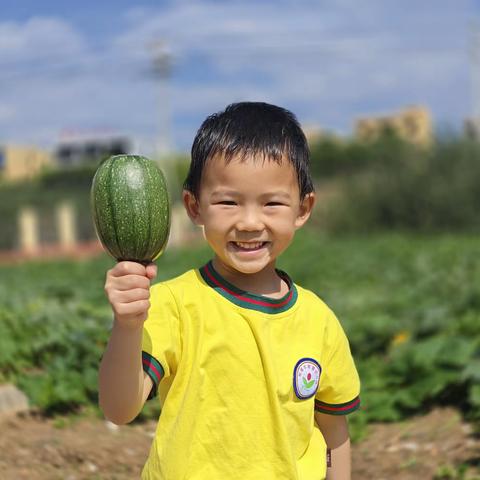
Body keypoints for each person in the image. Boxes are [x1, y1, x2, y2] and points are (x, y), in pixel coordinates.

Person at [99, 102, 361, 480]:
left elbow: (334, 435)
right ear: (195, 207)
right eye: (228, 202)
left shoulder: (318, 320)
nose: (250, 222)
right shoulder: (174, 305)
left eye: (272, 203)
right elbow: (119, 409)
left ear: (303, 209)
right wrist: (126, 325)